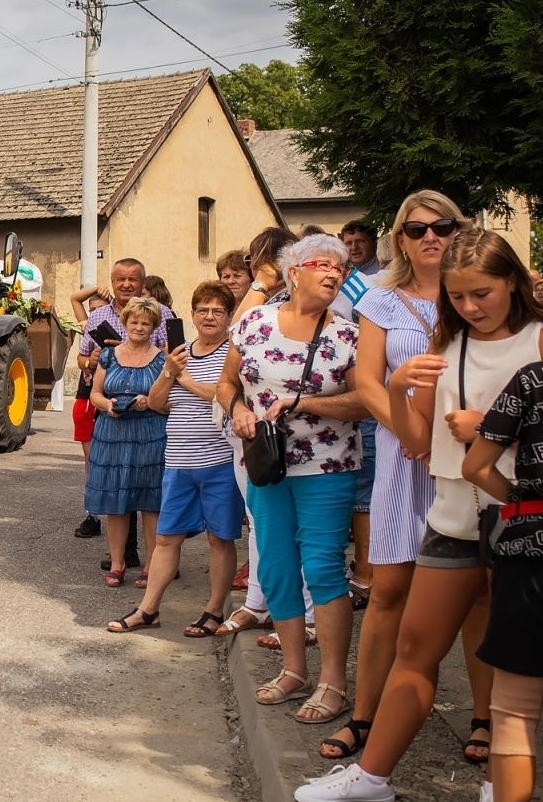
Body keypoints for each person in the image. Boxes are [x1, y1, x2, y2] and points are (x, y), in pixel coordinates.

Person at [296, 230, 543, 802]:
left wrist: (493, 428)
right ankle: (371, 775)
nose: (470, 307)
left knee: (510, 671)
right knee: (415, 649)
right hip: (452, 519)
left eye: (483, 293)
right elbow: (417, 442)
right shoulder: (448, 345)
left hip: (524, 523)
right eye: (459, 297)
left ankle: (499, 797)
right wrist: (395, 385)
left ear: (513, 281)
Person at [320, 190, 466, 762]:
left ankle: (480, 720)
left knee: (476, 596)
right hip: (404, 460)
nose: (431, 237)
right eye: (417, 228)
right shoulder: (379, 302)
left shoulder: (475, 299)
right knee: (388, 590)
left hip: (466, 458)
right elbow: (369, 382)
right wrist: (412, 436)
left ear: (458, 232)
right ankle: (364, 715)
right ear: (399, 239)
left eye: (443, 226)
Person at [217, 234, 365, 725]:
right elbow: (227, 382)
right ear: (294, 271)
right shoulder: (254, 323)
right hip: (267, 463)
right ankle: (294, 670)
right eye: (323, 264)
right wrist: (237, 410)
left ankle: (334, 683)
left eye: (341, 268)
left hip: (327, 466)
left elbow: (365, 402)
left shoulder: (348, 334)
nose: (334, 273)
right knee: (277, 566)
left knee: (322, 567)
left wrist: (306, 403)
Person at [454, 353, 543, 802]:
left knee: (515, 713)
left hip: (536, 548)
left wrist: (521, 499)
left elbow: (475, 466)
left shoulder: (538, 379)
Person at [107, 282, 242, 633]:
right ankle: (148, 610)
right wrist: (169, 371)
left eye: (217, 311)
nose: (208, 316)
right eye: (202, 310)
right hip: (178, 460)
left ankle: (213, 611)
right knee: (166, 538)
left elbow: (223, 394)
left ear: (229, 316)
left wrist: (186, 379)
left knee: (219, 538)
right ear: (192, 314)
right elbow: (155, 402)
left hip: (219, 460)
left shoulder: (233, 351)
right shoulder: (181, 350)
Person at [75, 259, 175, 566]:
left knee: (149, 495)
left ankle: (158, 564)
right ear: (112, 281)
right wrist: (98, 360)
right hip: (115, 416)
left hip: (151, 419)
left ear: (143, 283)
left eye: (133, 279)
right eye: (120, 279)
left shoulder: (164, 314)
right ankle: (123, 556)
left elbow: (177, 357)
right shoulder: (98, 316)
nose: (126, 284)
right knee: (119, 491)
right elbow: (82, 361)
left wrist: (137, 352)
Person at [85, 296, 168, 588]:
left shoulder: (163, 360)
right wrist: (107, 405)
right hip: (112, 433)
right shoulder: (108, 355)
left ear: (154, 326)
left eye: (146, 323)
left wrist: (152, 402)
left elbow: (172, 404)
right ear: (125, 323)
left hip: (150, 435)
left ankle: (151, 567)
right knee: (116, 501)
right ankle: (118, 563)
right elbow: (95, 392)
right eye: (135, 321)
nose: (140, 327)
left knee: (150, 503)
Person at [68, 286, 112, 540]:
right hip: (86, 398)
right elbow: (74, 298)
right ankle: (92, 514)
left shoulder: (121, 328)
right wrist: (98, 288)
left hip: (108, 396)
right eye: (92, 311)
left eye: (101, 310)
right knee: (91, 459)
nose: (96, 315)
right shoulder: (90, 329)